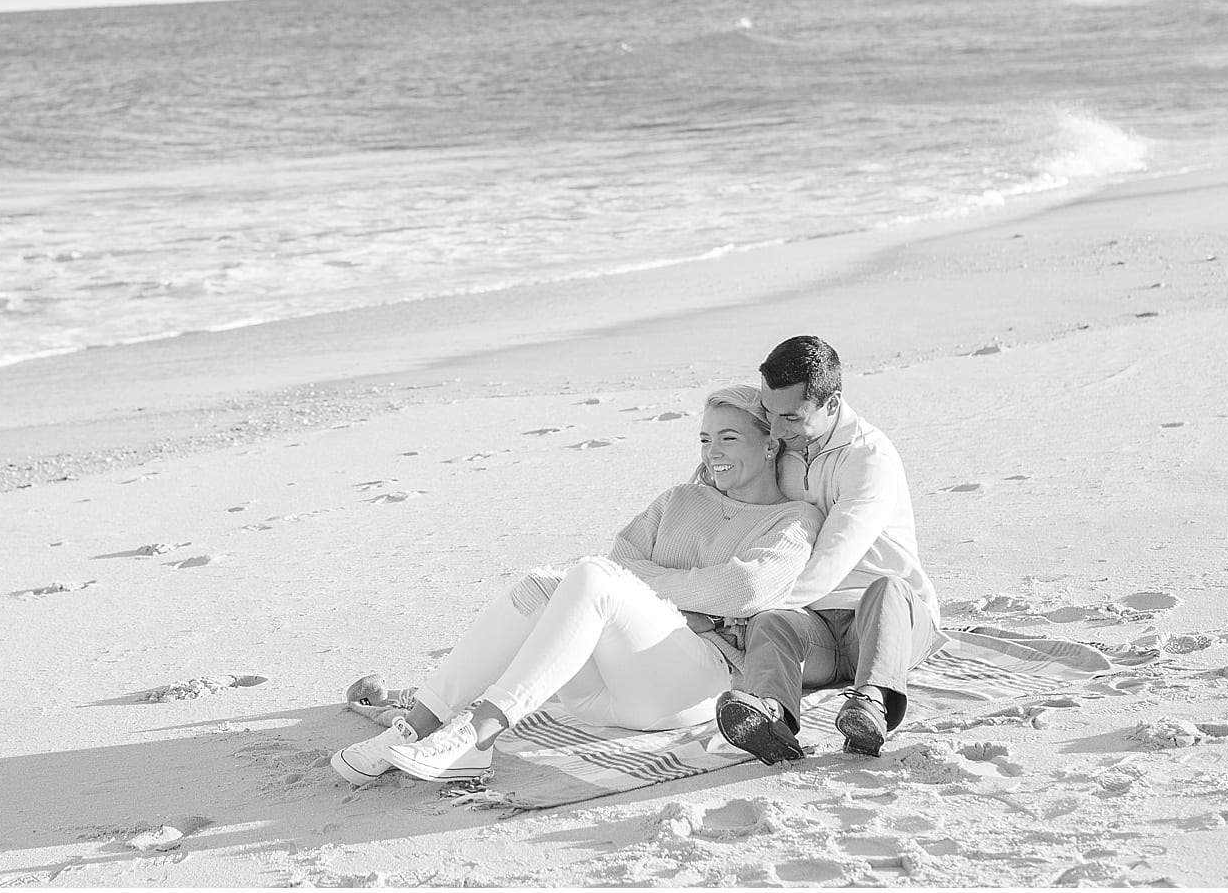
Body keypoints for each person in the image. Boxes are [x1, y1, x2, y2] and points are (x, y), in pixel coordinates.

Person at [331, 385, 823, 785]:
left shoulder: (794, 518)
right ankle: (417, 725)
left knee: (589, 576)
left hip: (693, 684)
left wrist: (673, 602)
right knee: (543, 583)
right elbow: (621, 563)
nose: (712, 452)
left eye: (729, 438)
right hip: (598, 694)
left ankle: (480, 734)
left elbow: (745, 589)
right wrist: (682, 601)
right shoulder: (679, 499)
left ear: (770, 442)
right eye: (704, 439)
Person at [715, 335, 942, 764]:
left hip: (884, 626)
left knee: (887, 588)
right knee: (773, 622)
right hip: (817, 629)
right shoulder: (781, 448)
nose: (776, 430)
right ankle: (773, 719)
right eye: (768, 412)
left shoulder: (869, 458)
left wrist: (739, 608)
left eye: (790, 418)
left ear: (832, 405)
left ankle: (870, 705)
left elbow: (832, 559)